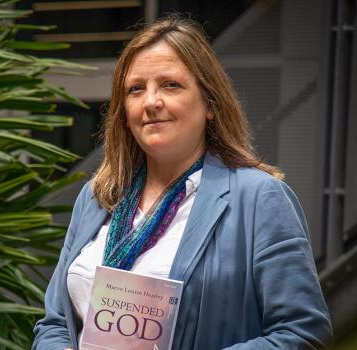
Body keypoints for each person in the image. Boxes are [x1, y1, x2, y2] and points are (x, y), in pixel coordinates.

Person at [33, 15, 333, 350]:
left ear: (210, 104)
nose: (151, 102)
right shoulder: (97, 198)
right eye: (135, 89)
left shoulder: (260, 198)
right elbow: (55, 324)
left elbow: (304, 335)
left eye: (170, 85)